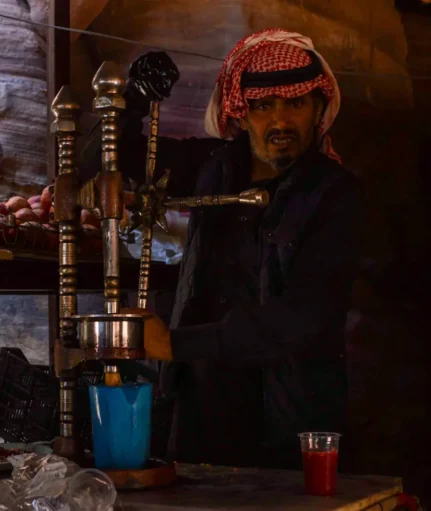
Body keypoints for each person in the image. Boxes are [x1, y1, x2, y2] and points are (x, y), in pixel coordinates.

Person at [80, 29, 363, 469]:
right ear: (240, 110)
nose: (281, 122)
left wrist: (173, 343)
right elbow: (104, 160)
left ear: (319, 108)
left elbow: (305, 316)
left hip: (288, 420)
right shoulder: (213, 167)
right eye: (263, 106)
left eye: (295, 103)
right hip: (200, 410)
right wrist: (135, 97)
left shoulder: (335, 193)